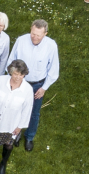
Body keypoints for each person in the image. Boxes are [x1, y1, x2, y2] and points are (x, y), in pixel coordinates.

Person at [10, 19, 58, 150]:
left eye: (38, 35)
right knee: (17, 108)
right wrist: (13, 79)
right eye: (33, 33)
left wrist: (44, 88)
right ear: (30, 29)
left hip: (38, 85)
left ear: (45, 34)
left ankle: (29, 136)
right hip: (20, 82)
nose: (34, 37)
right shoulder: (21, 40)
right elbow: (11, 60)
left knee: (34, 112)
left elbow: (54, 70)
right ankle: (16, 133)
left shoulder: (51, 46)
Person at [0, 61, 34, 174]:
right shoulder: (1, 80)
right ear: (11, 72)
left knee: (8, 145)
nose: (18, 77)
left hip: (11, 122)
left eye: (21, 75)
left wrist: (20, 127)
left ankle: (3, 163)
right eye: (16, 74)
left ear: (24, 75)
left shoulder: (27, 90)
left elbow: (27, 110)